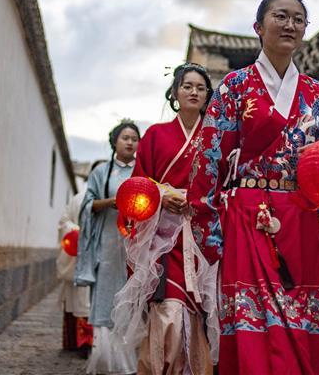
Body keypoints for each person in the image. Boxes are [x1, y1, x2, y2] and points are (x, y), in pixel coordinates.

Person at [187, 0, 319, 375]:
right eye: (280, 16)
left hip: (301, 219)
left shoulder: (318, 95)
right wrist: (212, 236)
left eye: (298, 19)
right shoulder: (234, 87)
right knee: (253, 328)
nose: (290, 25)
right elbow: (208, 163)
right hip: (246, 218)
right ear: (258, 27)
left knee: (300, 321)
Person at [113, 63, 217, 375]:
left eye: (200, 87)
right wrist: (161, 196)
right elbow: (139, 181)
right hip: (164, 237)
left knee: (200, 310)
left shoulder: (216, 137)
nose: (194, 92)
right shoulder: (155, 135)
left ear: (207, 95)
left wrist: (199, 202)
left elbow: (223, 182)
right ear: (174, 93)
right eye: (187, 86)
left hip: (202, 233)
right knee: (168, 308)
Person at [75, 121, 141, 375]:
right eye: (125, 137)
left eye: (134, 138)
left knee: (132, 299)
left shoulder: (143, 171)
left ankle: (130, 364)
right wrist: (110, 202)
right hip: (107, 245)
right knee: (105, 301)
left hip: (134, 246)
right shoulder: (101, 172)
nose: (130, 142)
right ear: (114, 142)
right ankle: (105, 362)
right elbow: (87, 205)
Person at [57, 188, 92, 355]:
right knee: (78, 301)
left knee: (86, 302)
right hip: (76, 257)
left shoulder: (110, 197)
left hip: (98, 258)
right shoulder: (78, 198)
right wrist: (76, 232)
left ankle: (89, 343)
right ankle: (79, 343)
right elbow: (64, 222)